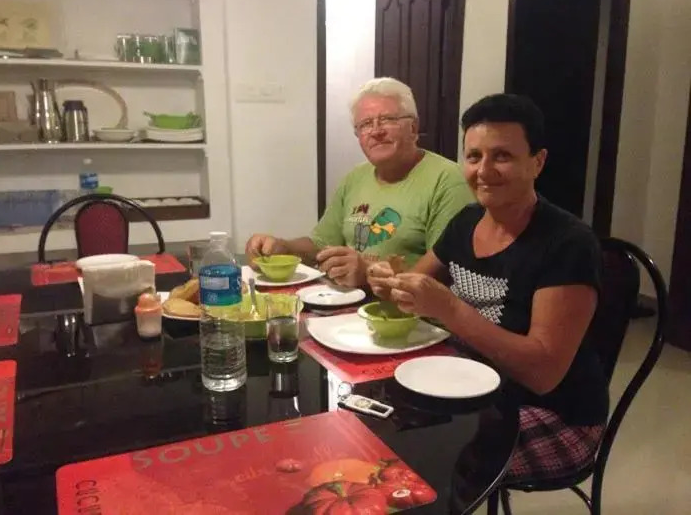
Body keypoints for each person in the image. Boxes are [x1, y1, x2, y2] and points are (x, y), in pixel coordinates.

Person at [368, 93, 608, 483]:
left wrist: (450, 309)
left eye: (502, 156)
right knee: (376, 423)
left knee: (420, 461)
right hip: (474, 388)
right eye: (474, 156)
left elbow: (543, 373)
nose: (483, 171)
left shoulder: (569, 244)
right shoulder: (467, 220)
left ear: (537, 162)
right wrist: (388, 282)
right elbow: (413, 288)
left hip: (556, 414)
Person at [245, 77, 473, 288]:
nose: (376, 131)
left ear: (413, 128)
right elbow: (321, 245)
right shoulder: (355, 178)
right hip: (347, 307)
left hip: (411, 316)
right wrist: (284, 248)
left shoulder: (448, 179)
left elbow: (446, 274)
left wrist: (368, 274)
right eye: (365, 124)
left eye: (387, 120)